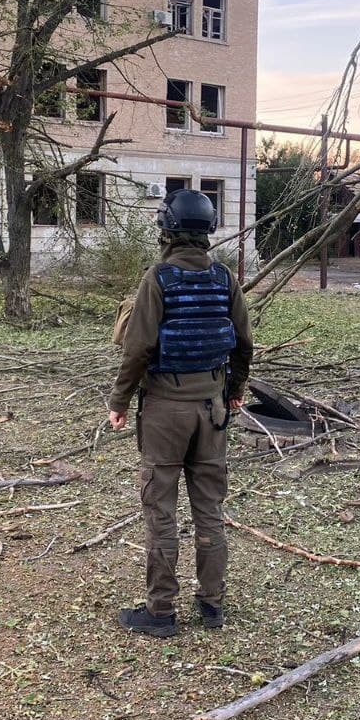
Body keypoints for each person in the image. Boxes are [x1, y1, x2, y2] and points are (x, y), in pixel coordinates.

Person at [107, 188, 253, 637]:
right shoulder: (224, 278)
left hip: (165, 411)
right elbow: (244, 343)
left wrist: (119, 400)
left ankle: (161, 612)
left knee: (161, 511)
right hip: (212, 410)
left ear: (166, 228)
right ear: (208, 229)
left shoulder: (159, 277)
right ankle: (212, 605)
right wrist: (234, 390)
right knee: (209, 510)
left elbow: (138, 348)